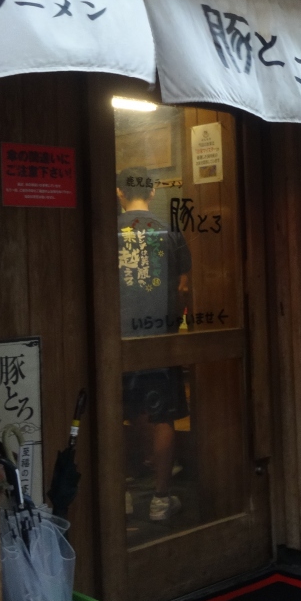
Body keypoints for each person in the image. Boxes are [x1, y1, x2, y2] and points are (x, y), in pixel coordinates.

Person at [117, 167, 191, 522]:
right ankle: (160, 499)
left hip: (117, 339)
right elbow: (183, 288)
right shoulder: (170, 232)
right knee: (162, 416)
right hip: (159, 339)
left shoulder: (106, 231)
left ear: (119, 193)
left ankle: (122, 496)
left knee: (118, 413)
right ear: (152, 192)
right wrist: (172, 324)